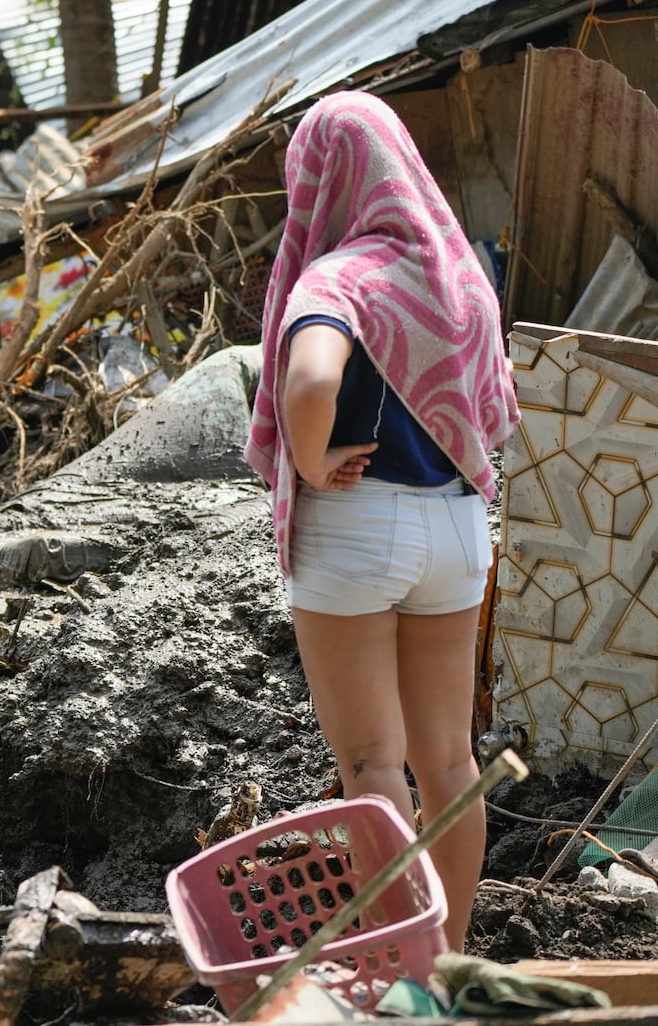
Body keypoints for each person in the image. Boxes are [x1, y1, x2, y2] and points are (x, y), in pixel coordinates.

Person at [244, 91, 519, 951]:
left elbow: (312, 381)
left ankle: (396, 955)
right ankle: (444, 964)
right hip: (459, 526)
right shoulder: (462, 275)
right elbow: (497, 407)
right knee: (448, 763)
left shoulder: (340, 273)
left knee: (372, 766)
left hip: (358, 530)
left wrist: (314, 456)